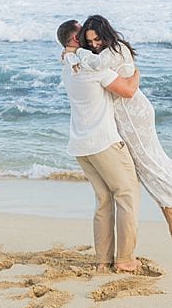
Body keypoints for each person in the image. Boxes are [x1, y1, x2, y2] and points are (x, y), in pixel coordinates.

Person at [73, 14, 172, 240]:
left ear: (105, 34)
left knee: (146, 162)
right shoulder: (108, 51)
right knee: (141, 163)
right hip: (123, 113)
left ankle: (170, 205)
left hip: (133, 114)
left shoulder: (114, 50)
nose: (93, 45)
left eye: (96, 40)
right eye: (89, 41)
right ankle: (168, 204)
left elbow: (95, 65)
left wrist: (75, 52)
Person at [56, 18, 142, 274]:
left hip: (81, 145)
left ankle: (103, 259)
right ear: (75, 40)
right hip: (103, 142)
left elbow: (70, 56)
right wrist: (137, 72)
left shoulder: (66, 63)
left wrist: (70, 52)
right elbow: (127, 90)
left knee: (104, 199)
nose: (90, 42)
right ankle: (125, 259)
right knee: (127, 195)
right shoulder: (93, 68)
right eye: (83, 35)